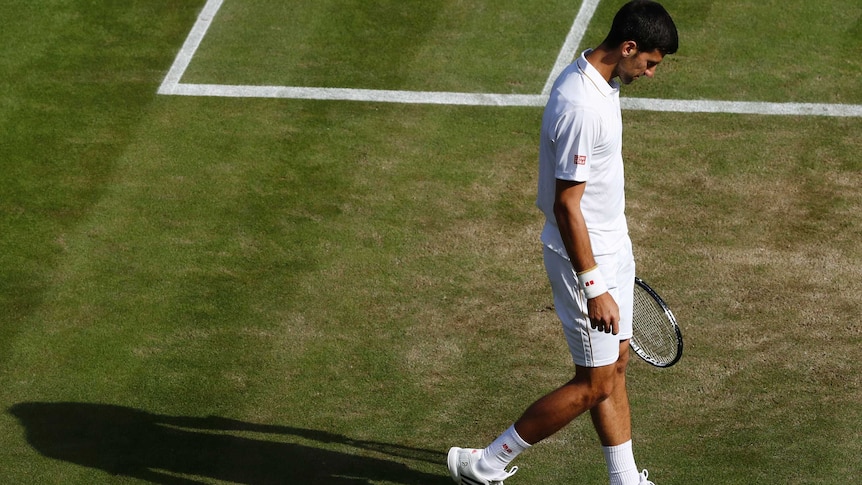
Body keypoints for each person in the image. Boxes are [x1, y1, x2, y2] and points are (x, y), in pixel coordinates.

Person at [447, 1, 679, 484]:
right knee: (593, 383)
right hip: (583, 260)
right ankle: (484, 464)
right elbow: (565, 205)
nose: (651, 74)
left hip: (613, 244)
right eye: (651, 63)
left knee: (615, 365)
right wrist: (594, 285)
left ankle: (624, 479)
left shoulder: (604, 83)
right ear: (629, 47)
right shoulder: (579, 105)